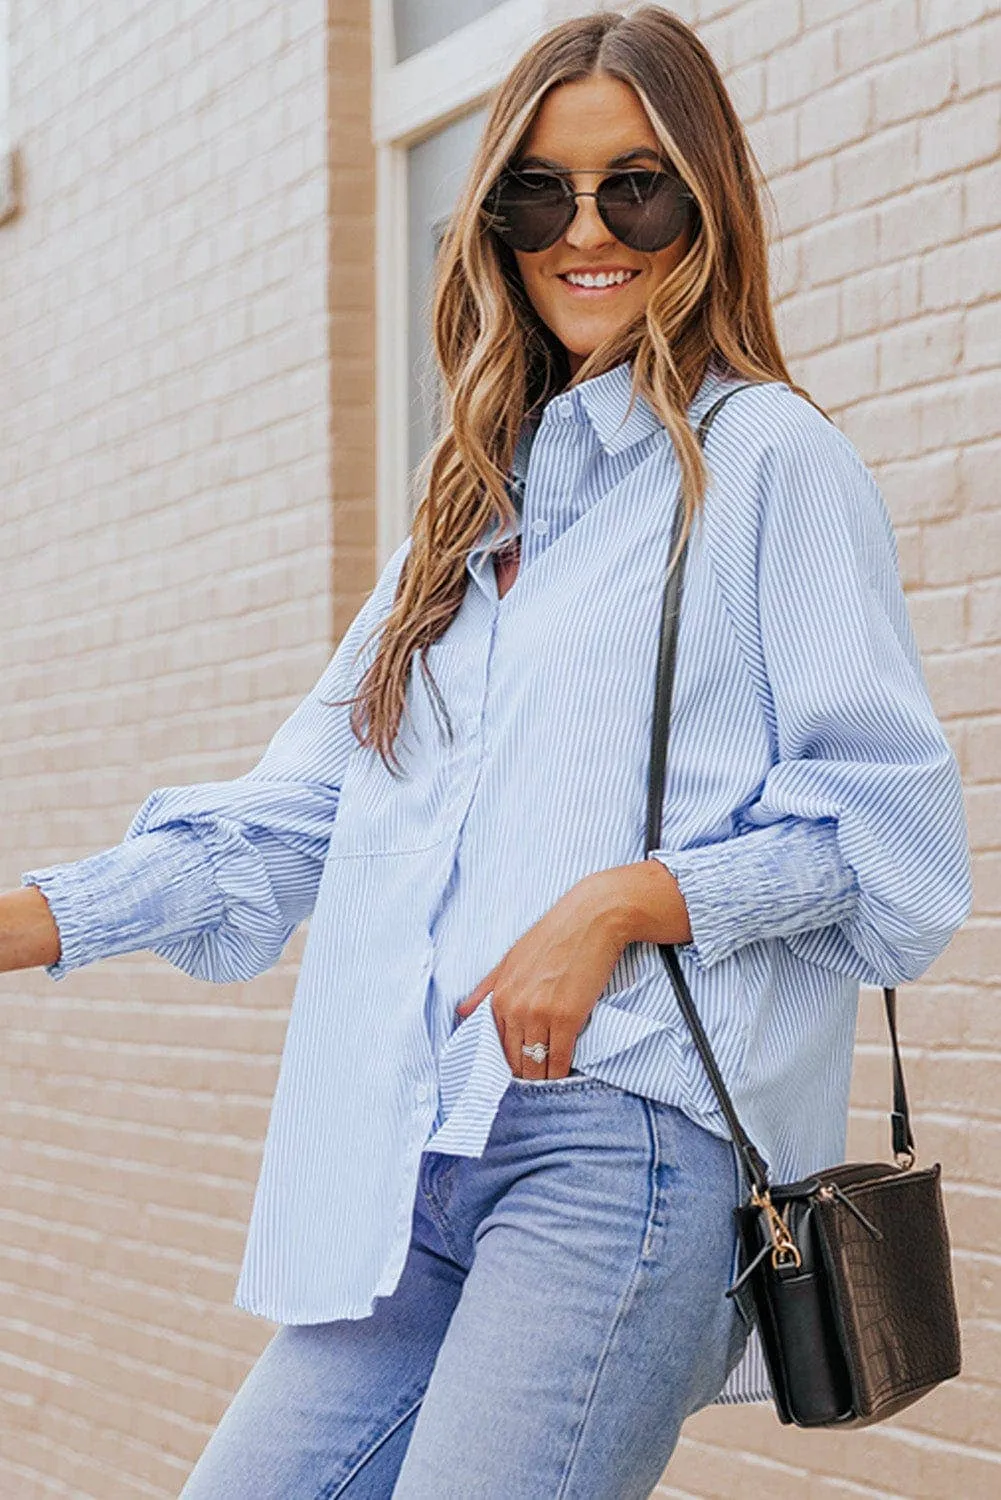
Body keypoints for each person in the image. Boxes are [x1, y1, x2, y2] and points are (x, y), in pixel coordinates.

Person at [1, 8, 972, 1498]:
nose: (586, 231)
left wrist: (622, 904)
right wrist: (33, 919)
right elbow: (295, 818)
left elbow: (886, 847)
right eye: (539, 193)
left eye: (633, 186)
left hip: (623, 1156)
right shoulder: (464, 517)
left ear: (704, 202)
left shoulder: (774, 466)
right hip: (422, 1152)